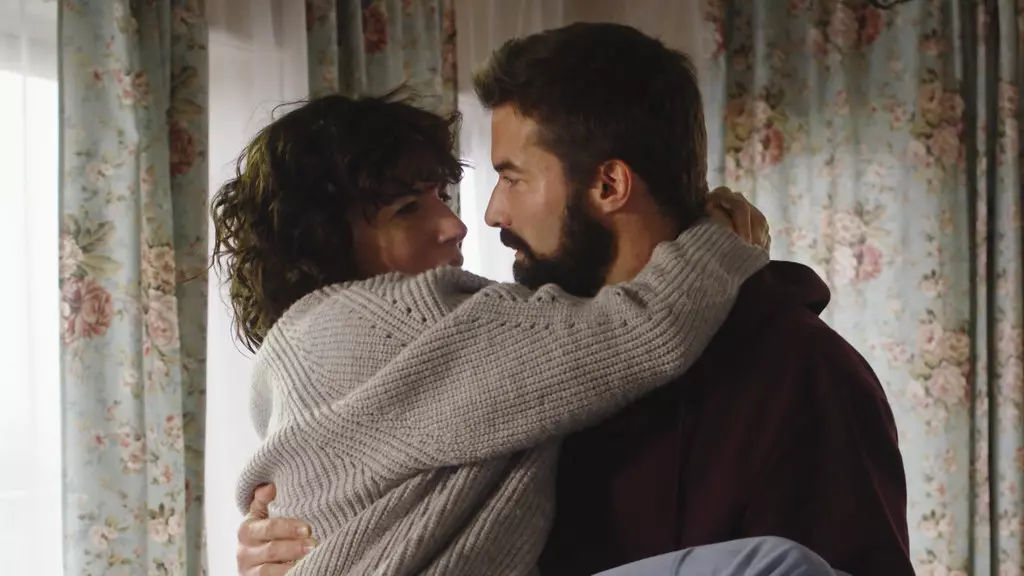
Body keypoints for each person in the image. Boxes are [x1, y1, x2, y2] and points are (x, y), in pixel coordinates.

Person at [234, 22, 914, 576]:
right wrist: (295, 538)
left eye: (511, 178)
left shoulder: (797, 372)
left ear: (609, 185)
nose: (485, 216)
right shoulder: (505, 353)